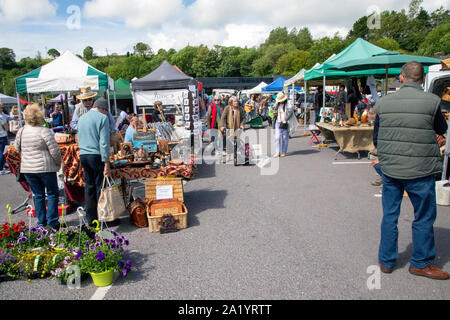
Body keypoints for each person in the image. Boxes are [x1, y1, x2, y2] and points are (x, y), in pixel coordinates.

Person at [374, 61, 449, 280]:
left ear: (402, 77)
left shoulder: (384, 102)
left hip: (390, 169)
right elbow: (441, 130)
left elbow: (376, 138)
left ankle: (386, 261)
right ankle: (421, 263)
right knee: (424, 217)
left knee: (390, 214)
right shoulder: (432, 101)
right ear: (422, 78)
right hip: (421, 169)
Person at [14, 104, 62, 228]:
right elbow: (55, 151)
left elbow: (16, 147)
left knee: (38, 195)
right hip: (46, 168)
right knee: (52, 193)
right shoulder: (44, 131)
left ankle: (42, 222)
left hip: (28, 168)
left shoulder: (22, 131)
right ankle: (52, 222)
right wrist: (58, 163)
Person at [77, 98, 111, 225]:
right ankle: (102, 218)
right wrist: (106, 162)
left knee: (89, 187)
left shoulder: (82, 118)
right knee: (99, 188)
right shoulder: (103, 118)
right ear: (103, 109)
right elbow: (104, 142)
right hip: (96, 155)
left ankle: (91, 218)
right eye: (106, 111)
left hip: (83, 155)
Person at [219, 96, 245, 161]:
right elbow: (223, 118)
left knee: (237, 141)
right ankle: (228, 155)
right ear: (231, 102)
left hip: (237, 128)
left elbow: (244, 118)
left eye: (237, 101)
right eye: (235, 101)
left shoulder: (240, 109)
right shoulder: (227, 108)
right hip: (228, 127)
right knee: (228, 142)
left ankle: (236, 154)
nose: (236, 102)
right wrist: (223, 126)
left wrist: (242, 124)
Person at [272, 92, 293, 158]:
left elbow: (290, 112)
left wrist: (285, 119)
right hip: (278, 122)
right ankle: (277, 152)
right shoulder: (277, 103)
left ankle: (283, 152)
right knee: (277, 137)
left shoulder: (288, 103)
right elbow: (275, 111)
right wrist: (274, 113)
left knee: (284, 138)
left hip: (285, 123)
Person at [0, 103, 10, 175]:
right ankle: (1, 168)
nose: (2, 109)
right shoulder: (1, 117)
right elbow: (5, 127)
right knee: (3, 152)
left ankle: (2, 166)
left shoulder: (2, 115)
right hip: (2, 136)